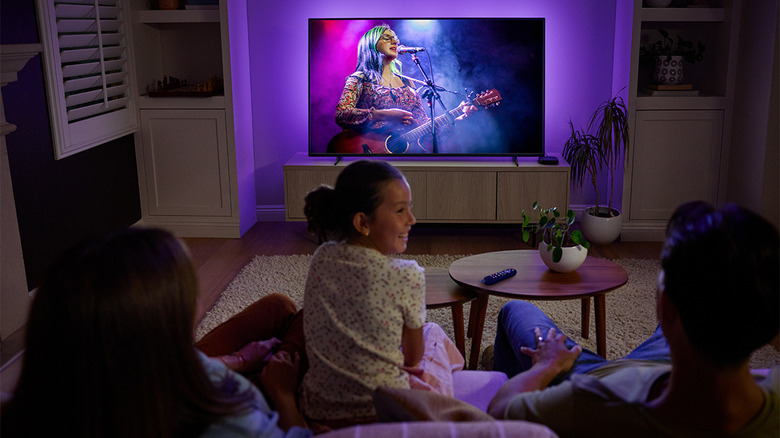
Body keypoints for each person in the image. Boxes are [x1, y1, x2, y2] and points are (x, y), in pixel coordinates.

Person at [487, 201, 780, 437]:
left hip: (587, 374)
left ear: (664, 306)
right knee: (701, 310)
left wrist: (547, 366)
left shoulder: (593, 403)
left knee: (515, 310)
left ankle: (505, 368)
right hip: (669, 364)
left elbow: (499, 413)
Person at [0, 228, 311, 438]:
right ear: (158, 326)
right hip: (257, 399)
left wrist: (238, 359)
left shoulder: (33, 406)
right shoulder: (228, 420)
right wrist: (283, 397)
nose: (199, 306)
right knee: (305, 318)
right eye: (189, 295)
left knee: (278, 306)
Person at [300, 160, 464, 429]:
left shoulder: (322, 256)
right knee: (433, 333)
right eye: (400, 210)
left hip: (319, 408)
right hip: (384, 411)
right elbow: (412, 358)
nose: (412, 220)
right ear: (362, 222)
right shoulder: (406, 274)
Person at [328, 24, 474, 154]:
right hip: (365, 152)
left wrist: (456, 117)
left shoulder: (408, 83)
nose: (395, 41)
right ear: (371, 44)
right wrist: (385, 114)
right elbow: (342, 114)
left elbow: (423, 125)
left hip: (404, 156)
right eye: (386, 38)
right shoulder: (360, 77)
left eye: (395, 38)